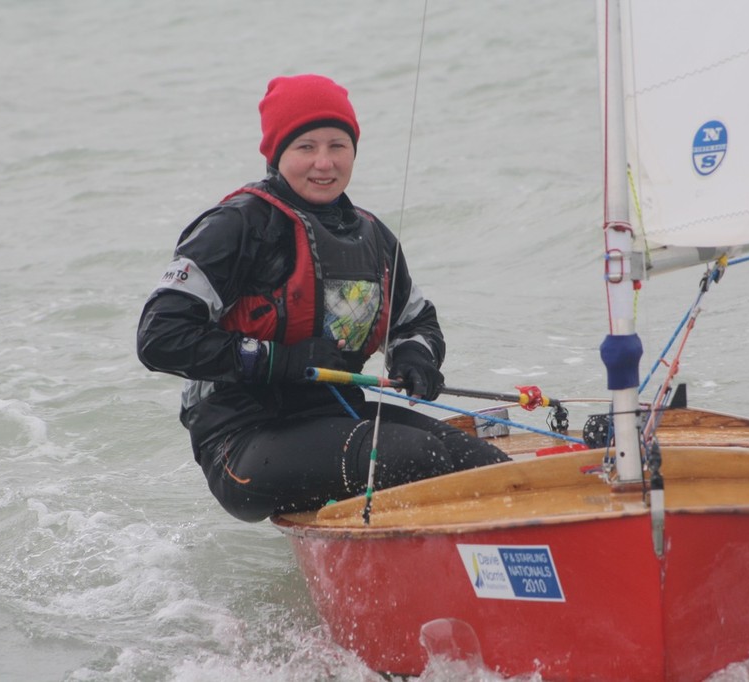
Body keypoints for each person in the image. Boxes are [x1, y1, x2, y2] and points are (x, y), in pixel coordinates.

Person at [137, 74, 509, 522]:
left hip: (335, 416)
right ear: (277, 154)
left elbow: (416, 323)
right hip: (240, 437)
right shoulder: (235, 227)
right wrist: (276, 359)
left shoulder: (374, 237)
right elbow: (159, 336)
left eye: (338, 145)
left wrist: (415, 357)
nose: (324, 163)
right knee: (415, 457)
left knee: (489, 469)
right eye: (306, 147)